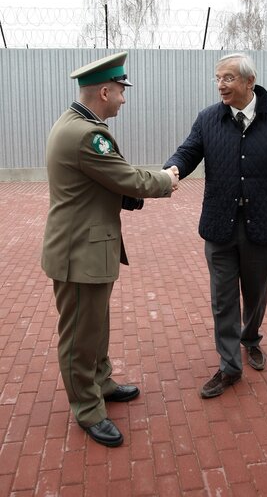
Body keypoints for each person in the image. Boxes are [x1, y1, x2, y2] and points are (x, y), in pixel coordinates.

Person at [41, 51, 179, 447]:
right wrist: (166, 179)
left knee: (95, 324)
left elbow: (96, 184)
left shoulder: (74, 123)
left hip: (85, 247)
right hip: (79, 253)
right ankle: (87, 408)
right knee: (79, 336)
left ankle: (100, 382)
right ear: (104, 91)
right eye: (120, 91)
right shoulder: (88, 134)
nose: (123, 98)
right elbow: (127, 178)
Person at [163, 53, 267, 398]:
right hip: (219, 225)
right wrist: (171, 170)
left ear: (248, 82)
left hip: (264, 225)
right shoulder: (209, 119)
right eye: (217, 78)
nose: (221, 85)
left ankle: (251, 337)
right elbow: (188, 151)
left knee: (256, 293)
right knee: (223, 299)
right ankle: (229, 366)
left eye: (228, 78)